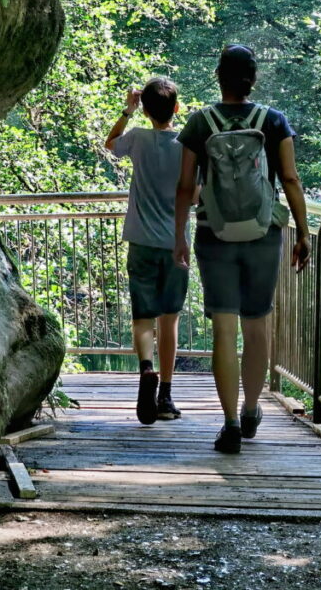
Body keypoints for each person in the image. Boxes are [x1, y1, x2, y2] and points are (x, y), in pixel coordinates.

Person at [174, 44, 311, 454]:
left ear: (219, 76)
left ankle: (230, 422)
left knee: (224, 330)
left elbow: (185, 185)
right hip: (263, 234)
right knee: (256, 325)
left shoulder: (200, 122)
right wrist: (302, 232)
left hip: (214, 235)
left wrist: (177, 234)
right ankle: (252, 410)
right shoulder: (273, 120)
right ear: (254, 78)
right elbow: (289, 178)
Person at [105, 78, 189, 425]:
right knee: (169, 319)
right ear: (177, 109)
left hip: (140, 240)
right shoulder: (187, 145)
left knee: (143, 317)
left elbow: (110, 144)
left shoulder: (137, 137)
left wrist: (128, 110)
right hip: (176, 243)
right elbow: (195, 192)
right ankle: (165, 396)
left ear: (146, 109)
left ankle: (145, 369)